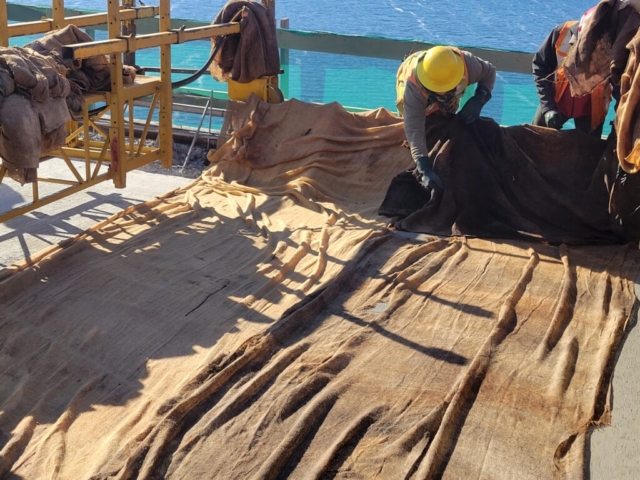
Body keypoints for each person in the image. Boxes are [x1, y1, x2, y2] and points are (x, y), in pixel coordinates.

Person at [396, 46, 496, 194]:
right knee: (418, 126)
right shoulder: (413, 88)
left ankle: (446, 103)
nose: (442, 90)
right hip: (413, 90)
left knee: (447, 115)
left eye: (446, 86)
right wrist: (424, 168)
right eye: (438, 88)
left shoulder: (468, 65)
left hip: (447, 91)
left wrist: (480, 98)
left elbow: (489, 72)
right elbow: (414, 128)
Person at [532, 9, 612, 137]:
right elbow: (540, 66)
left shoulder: (613, 44)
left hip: (592, 109)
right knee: (534, 139)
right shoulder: (561, 33)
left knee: (589, 152)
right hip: (556, 100)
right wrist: (548, 108)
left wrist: (622, 116)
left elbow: (622, 84)